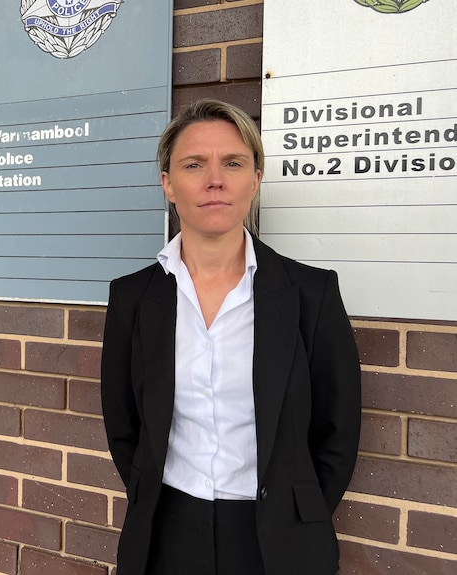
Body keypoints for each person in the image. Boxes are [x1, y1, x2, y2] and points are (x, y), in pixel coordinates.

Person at [101, 99, 361, 575]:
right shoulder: (133, 299)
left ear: (255, 180)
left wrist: (297, 512)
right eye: (194, 164)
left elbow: (337, 431)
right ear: (168, 184)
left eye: (234, 163)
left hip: (277, 542)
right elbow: (125, 426)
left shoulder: (310, 294)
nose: (214, 180)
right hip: (164, 533)